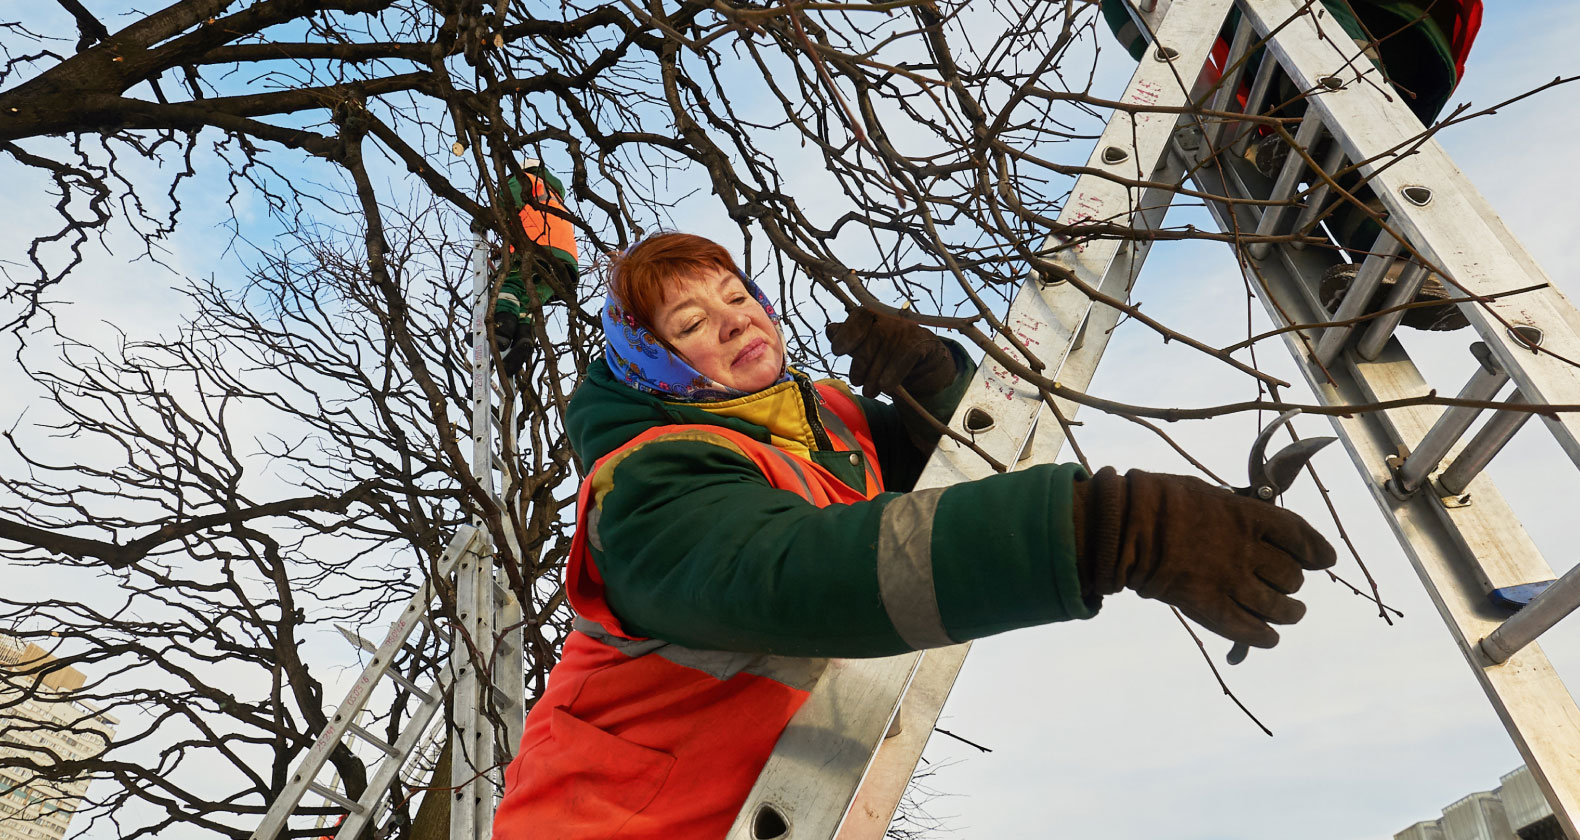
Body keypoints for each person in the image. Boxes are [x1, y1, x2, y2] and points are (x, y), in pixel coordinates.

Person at [490, 232, 1337, 839]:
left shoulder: (832, 425)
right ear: (657, 369)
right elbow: (814, 574)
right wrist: (1120, 528)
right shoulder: (650, 483)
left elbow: (970, 477)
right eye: (690, 325)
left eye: (737, 296)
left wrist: (935, 379)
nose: (734, 321)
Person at [1101, 0, 1483, 330]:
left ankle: (1322, 117)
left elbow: (1170, 60)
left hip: (1376, 24)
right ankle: (1401, 266)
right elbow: (1167, 57)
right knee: (1338, 178)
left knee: (1320, 132)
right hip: (1357, 63)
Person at [491, 160, 581, 375]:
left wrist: (486, 219)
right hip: (565, 263)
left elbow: (506, 201)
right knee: (530, 300)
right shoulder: (554, 194)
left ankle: (501, 330)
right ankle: (524, 336)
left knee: (510, 285)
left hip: (535, 248)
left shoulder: (525, 179)